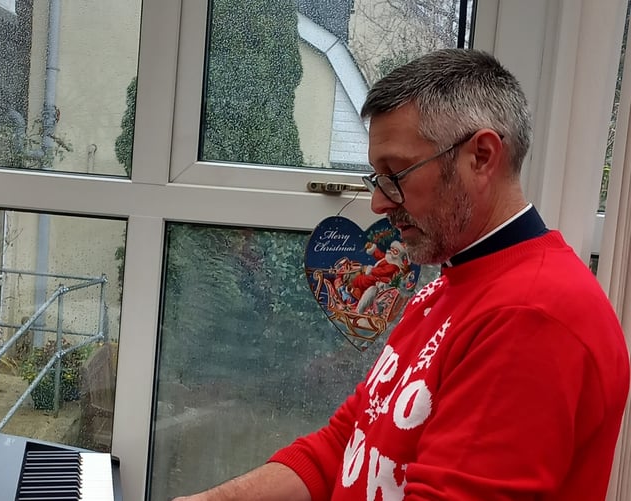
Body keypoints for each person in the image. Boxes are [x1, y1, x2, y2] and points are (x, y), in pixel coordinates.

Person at [172, 49, 630, 501]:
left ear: (482, 156)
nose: (379, 202)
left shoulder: (531, 315)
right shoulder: (449, 285)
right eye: (378, 179)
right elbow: (346, 443)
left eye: (396, 174)